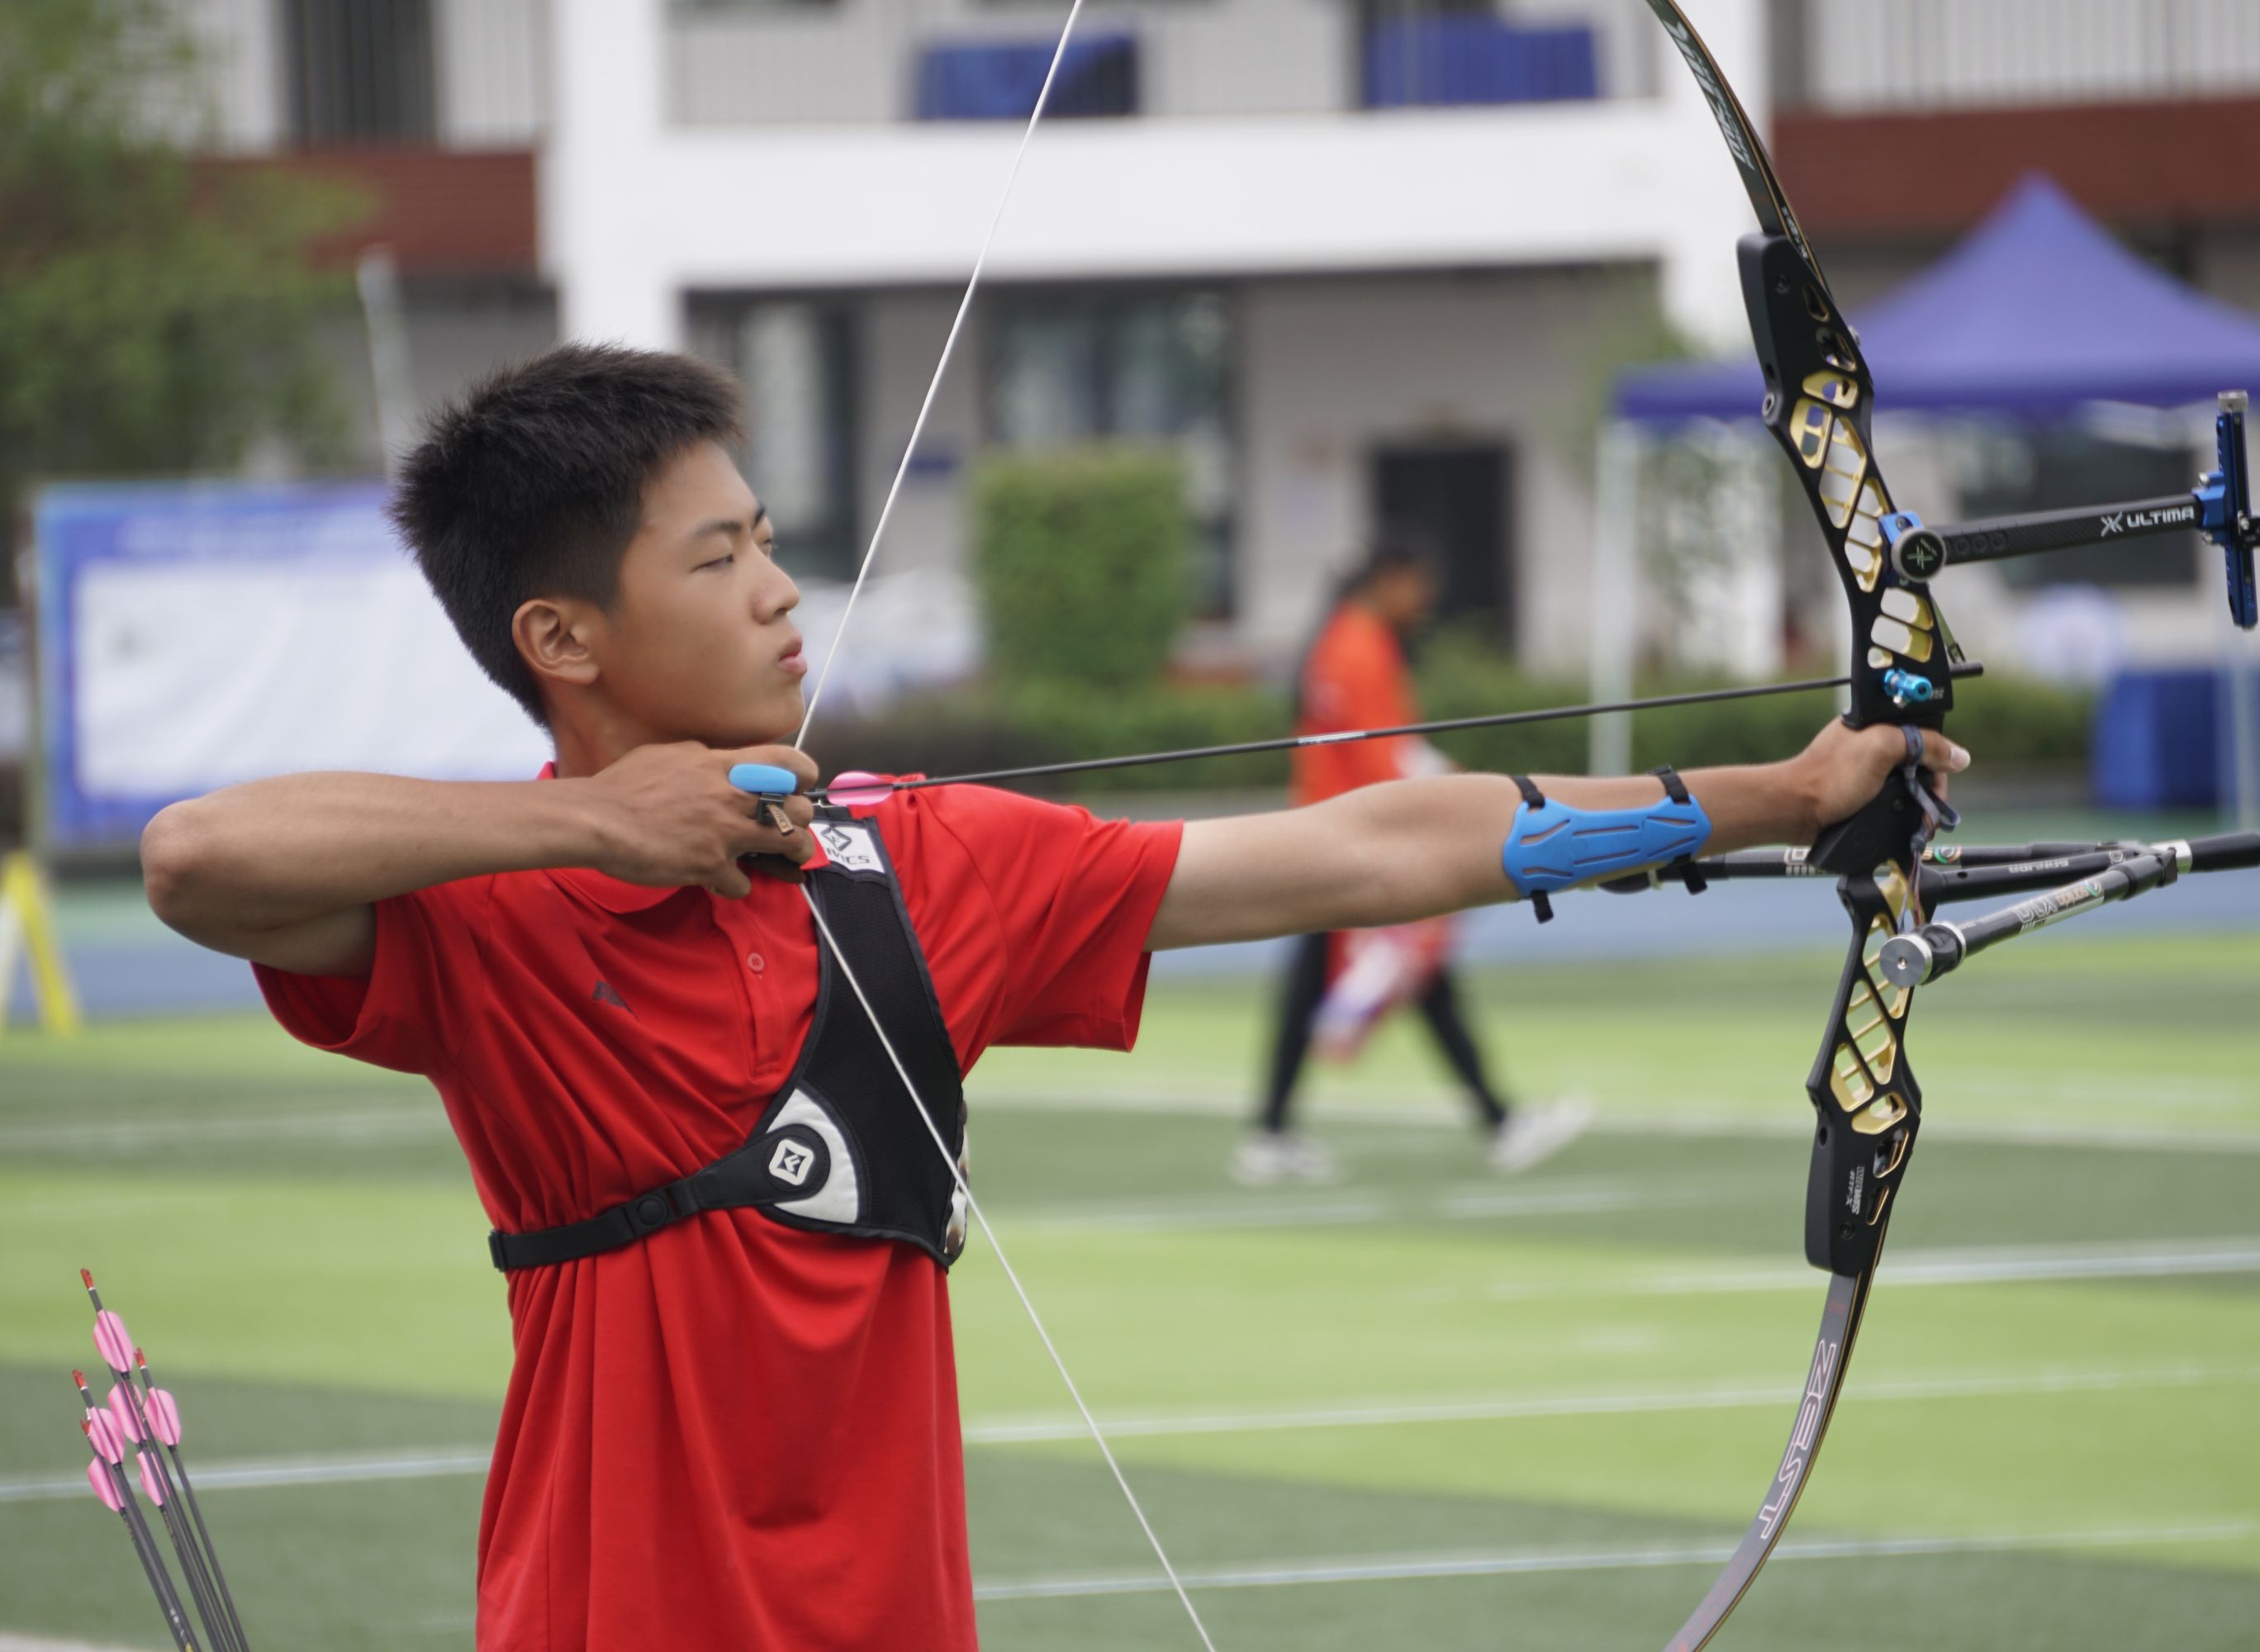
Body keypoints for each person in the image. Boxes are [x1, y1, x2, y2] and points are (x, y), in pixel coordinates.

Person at [139, 344, 1964, 1652]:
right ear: (560, 639)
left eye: (766, 539)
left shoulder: (912, 858)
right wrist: (599, 824)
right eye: (716, 558)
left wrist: (1783, 795)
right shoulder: (494, 916)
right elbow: (199, 857)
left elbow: (1369, 850)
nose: (780, 592)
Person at [1238, 540, 1586, 1185]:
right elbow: (1387, 757)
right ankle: (1498, 1121)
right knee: (1413, 971)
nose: (1424, 600)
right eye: (1417, 584)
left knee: (1384, 977)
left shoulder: (1344, 639)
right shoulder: (1359, 646)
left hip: (1331, 832)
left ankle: (1274, 1131)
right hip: (1349, 839)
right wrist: (1460, 794)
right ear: (1389, 579)